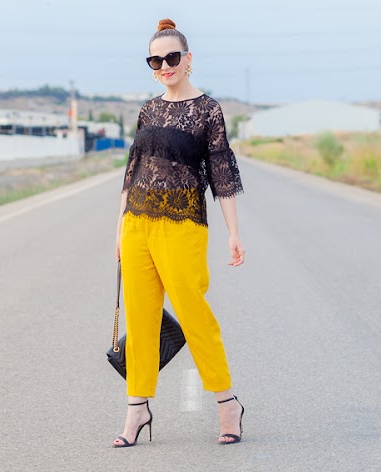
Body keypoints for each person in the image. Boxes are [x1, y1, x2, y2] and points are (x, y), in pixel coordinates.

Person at [113, 18, 246, 448]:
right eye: (156, 60)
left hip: (183, 224)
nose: (165, 65)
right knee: (141, 319)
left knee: (193, 314)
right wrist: (119, 230)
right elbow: (132, 172)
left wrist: (233, 233)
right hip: (138, 223)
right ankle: (137, 409)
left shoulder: (208, 110)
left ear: (188, 59)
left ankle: (227, 402)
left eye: (172, 57)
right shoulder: (148, 110)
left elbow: (222, 173)